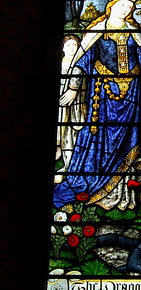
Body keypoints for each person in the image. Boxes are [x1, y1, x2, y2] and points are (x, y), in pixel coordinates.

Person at [53, 0, 141, 211]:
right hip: (103, 94)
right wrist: (73, 88)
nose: (127, 9)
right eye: (123, 5)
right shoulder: (97, 31)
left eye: (130, 6)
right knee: (101, 139)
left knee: (127, 139)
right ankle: (100, 191)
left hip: (131, 95)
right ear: (111, 6)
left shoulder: (134, 31)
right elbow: (82, 60)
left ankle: (124, 196)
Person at [55, 35, 84, 182]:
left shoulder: (81, 65)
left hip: (75, 106)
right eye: (69, 45)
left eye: (75, 45)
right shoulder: (58, 63)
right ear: (62, 48)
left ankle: (68, 168)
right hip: (59, 105)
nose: (72, 49)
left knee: (70, 136)